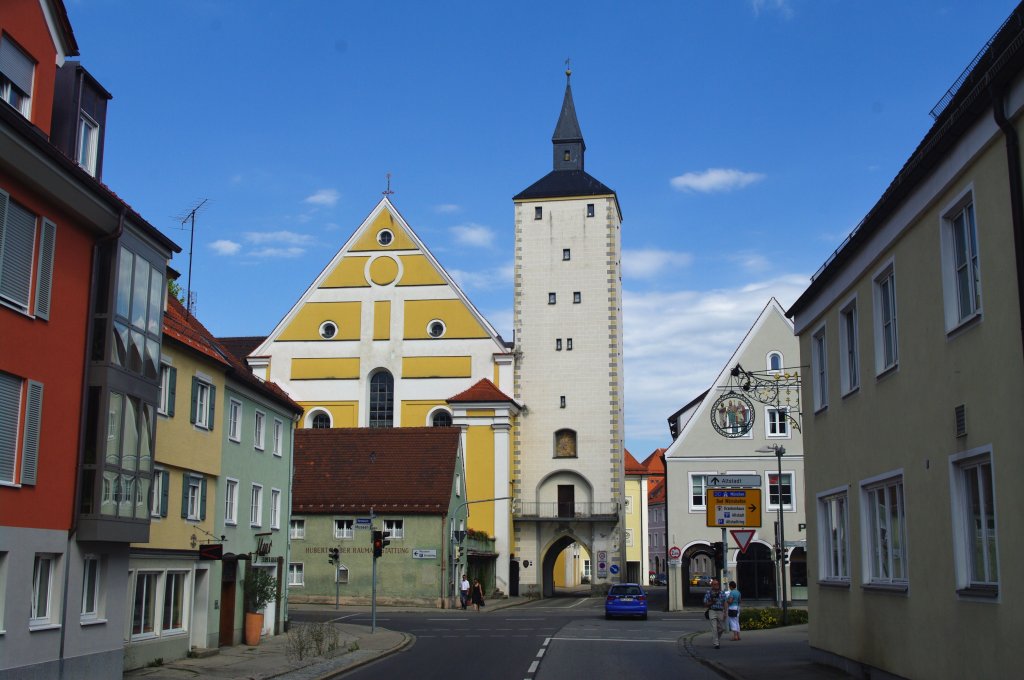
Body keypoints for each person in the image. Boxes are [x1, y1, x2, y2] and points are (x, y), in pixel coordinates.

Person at [703, 579, 727, 649]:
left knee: (722, 628)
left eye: (717, 584)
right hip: (712, 611)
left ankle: (716, 639)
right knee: (714, 628)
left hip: (720, 611)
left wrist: (725, 612)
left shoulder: (722, 593)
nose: (717, 586)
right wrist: (712, 602)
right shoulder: (709, 593)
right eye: (715, 584)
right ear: (712, 585)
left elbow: (725, 603)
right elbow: (705, 603)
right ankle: (716, 643)